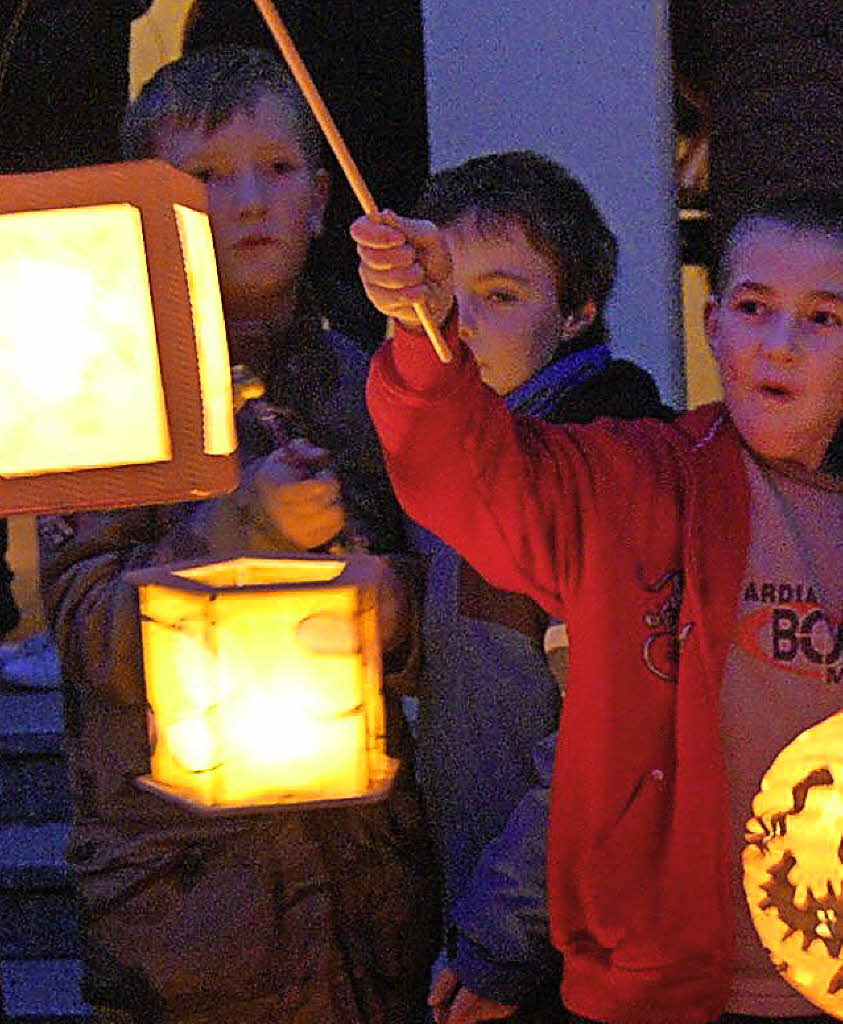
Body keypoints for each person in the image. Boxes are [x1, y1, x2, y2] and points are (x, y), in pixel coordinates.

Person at [352, 188, 843, 1024]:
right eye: (755, 308)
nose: (779, 345)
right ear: (713, 324)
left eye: (822, 318)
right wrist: (424, 331)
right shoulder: (643, 481)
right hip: (671, 986)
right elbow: (469, 473)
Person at [39, 45, 438, 1024]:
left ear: (320, 199)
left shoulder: (371, 382)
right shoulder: (101, 390)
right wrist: (235, 529)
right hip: (188, 911)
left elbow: (447, 606)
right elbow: (92, 632)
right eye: (208, 177)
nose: (249, 199)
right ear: (147, 206)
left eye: (277, 167)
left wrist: (386, 602)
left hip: (367, 896)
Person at [399, 151, 672, 1024]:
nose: (462, 324)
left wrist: (501, 938)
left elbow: (604, 738)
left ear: (579, 309)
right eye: (445, 295)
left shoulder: (595, 466)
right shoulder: (472, 450)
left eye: (502, 296)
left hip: (569, 952)